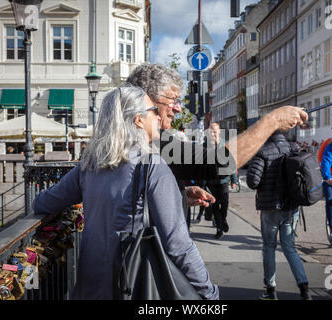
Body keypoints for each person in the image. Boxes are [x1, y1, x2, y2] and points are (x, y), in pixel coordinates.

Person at [33, 86, 218, 300]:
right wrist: (209, 293)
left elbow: (43, 203)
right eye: (154, 111)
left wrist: (179, 195)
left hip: (89, 286)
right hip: (131, 285)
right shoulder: (152, 167)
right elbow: (178, 245)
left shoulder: (90, 166)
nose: (159, 117)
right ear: (139, 120)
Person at [126, 63, 308, 212]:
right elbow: (219, 163)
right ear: (148, 99)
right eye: (173, 100)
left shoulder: (132, 137)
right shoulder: (152, 141)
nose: (178, 108)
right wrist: (273, 121)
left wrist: (179, 194)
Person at [246, 131, 312, 300]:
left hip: (270, 208)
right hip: (291, 207)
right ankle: (304, 289)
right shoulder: (294, 148)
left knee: (269, 247)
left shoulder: (262, 152)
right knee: (290, 247)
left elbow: (252, 181)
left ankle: (271, 290)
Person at [205, 122, 239, 239]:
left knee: (224, 205)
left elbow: (232, 164)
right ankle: (219, 228)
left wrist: (234, 180)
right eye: (211, 131)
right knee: (214, 206)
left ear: (219, 131)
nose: (213, 133)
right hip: (210, 182)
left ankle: (223, 219)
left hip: (224, 181)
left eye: (215, 131)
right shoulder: (204, 145)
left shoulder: (225, 145)